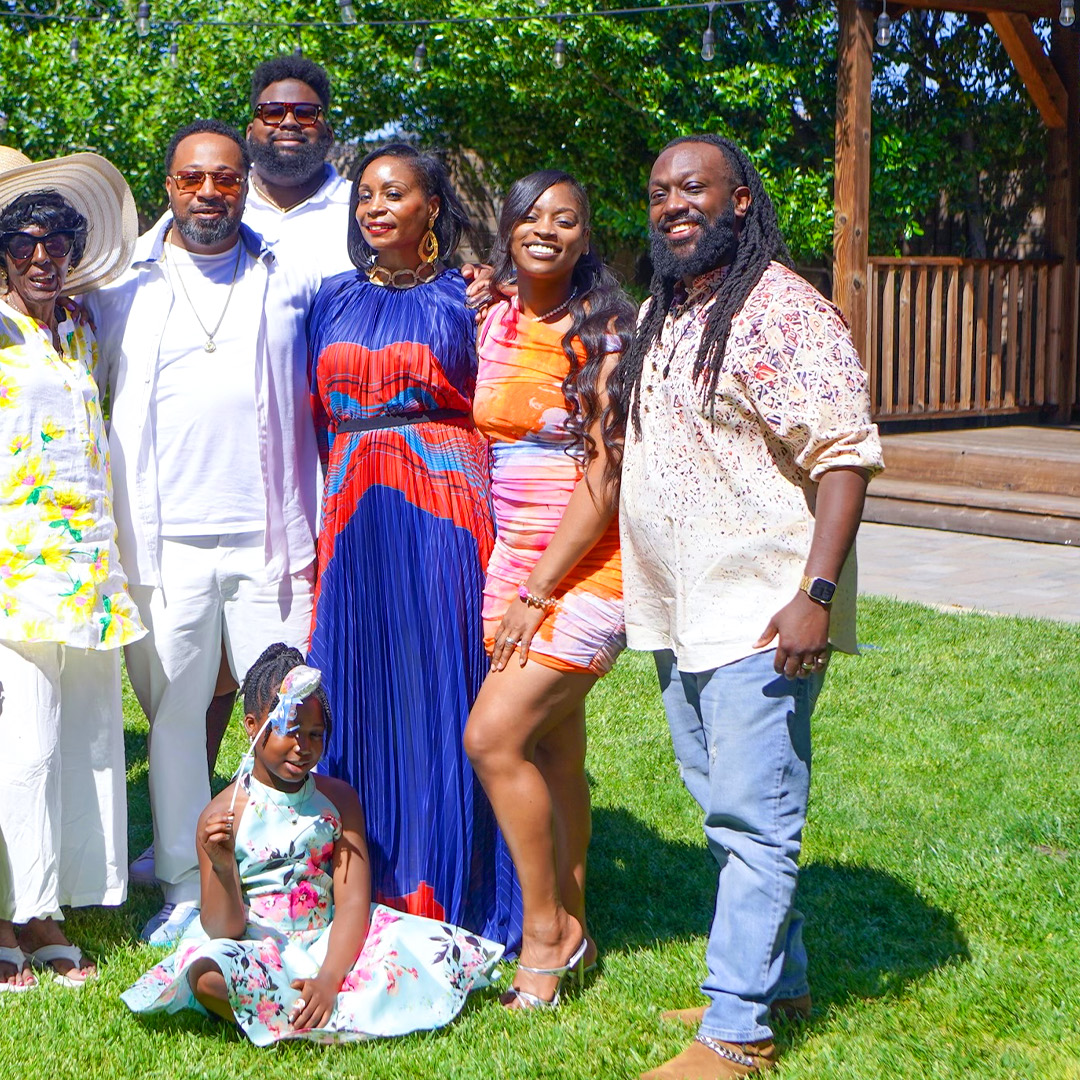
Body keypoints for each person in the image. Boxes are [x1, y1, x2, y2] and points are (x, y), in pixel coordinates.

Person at [620, 136, 881, 1080]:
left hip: (764, 611)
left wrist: (816, 595)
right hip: (687, 610)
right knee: (725, 806)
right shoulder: (668, 309)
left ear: (740, 202)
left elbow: (844, 455)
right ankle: (778, 981)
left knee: (753, 821)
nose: (672, 205)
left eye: (694, 188)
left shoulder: (781, 311)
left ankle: (738, 1032)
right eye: (658, 192)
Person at [84, 120, 320, 947]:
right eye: (193, 179)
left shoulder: (291, 277)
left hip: (271, 537)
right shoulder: (120, 286)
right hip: (162, 539)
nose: (210, 194)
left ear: (245, 183)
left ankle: (283, 873)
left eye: (225, 179)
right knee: (178, 718)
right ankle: (186, 889)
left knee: (285, 709)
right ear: (170, 187)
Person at [0, 147, 141, 990]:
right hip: (3, 571)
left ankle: (51, 909)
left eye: (59, 239)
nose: (43, 254)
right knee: (20, 747)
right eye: (25, 241)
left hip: (88, 572)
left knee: (85, 744)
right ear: (2, 252)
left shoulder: (86, 330)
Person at [304, 143, 521, 950]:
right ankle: (363, 884)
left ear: (433, 206)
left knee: (439, 684)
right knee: (354, 682)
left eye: (395, 193)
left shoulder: (468, 299)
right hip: (355, 508)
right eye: (365, 195)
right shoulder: (330, 298)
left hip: (441, 507)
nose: (375, 207)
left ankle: (450, 886)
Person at [121, 644, 505, 1044]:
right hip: (259, 945)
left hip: (328, 939)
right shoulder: (223, 815)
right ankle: (323, 1012)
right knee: (208, 975)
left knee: (418, 948)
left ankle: (310, 1004)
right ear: (252, 725)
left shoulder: (338, 800)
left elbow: (353, 901)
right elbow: (224, 928)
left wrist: (328, 977)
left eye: (315, 734)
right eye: (289, 729)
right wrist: (220, 865)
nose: (302, 746)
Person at [462, 170, 635, 1009]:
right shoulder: (491, 317)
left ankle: (543, 937)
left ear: (585, 238)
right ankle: (579, 923)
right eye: (531, 216)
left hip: (583, 571)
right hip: (509, 565)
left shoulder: (606, 330)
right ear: (508, 228)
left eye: (566, 219)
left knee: (493, 741)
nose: (547, 229)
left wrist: (539, 589)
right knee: (555, 750)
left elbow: (604, 477)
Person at [239, 56, 353, 282]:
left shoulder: (361, 208)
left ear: (329, 135)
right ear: (250, 132)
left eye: (305, 113)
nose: (289, 122)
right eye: (272, 112)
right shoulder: (219, 201)